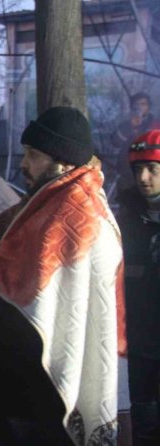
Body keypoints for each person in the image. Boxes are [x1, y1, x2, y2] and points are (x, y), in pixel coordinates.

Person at [0, 107, 126, 445]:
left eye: (33, 155)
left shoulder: (74, 216)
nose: (23, 164)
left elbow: (19, 300)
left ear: (63, 162)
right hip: (25, 380)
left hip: (43, 393)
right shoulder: (49, 201)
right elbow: (3, 257)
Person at [117, 129, 160, 446]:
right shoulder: (125, 222)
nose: (143, 178)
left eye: (153, 170)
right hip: (138, 349)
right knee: (142, 428)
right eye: (138, 170)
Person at [111, 93, 158, 190]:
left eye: (143, 104)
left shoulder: (155, 125)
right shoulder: (125, 125)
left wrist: (135, 146)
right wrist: (130, 127)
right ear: (132, 107)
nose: (140, 107)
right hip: (128, 171)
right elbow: (115, 143)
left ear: (149, 107)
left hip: (152, 171)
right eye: (137, 104)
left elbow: (153, 146)